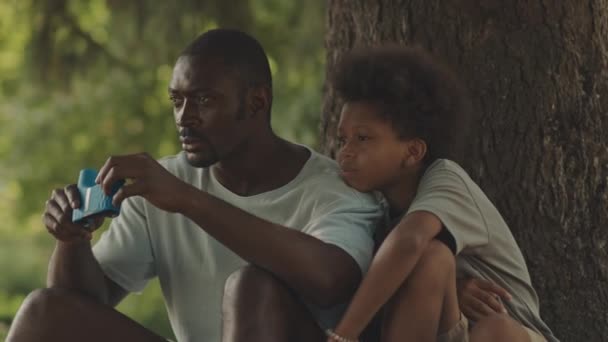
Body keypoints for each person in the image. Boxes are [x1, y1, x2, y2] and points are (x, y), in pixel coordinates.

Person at [6, 29, 383, 342]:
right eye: (177, 101)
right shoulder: (160, 187)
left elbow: (333, 279)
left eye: (204, 100)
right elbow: (81, 305)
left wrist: (189, 201)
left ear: (256, 102)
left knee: (250, 287)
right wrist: (72, 240)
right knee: (44, 311)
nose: (185, 119)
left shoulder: (332, 188)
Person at [325, 46, 558, 342]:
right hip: (449, 329)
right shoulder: (372, 209)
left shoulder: (445, 178)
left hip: (510, 332)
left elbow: (409, 241)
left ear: (413, 151)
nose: (345, 152)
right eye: (342, 139)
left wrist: (342, 336)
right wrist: (454, 286)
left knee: (489, 325)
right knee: (433, 258)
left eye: (362, 138)